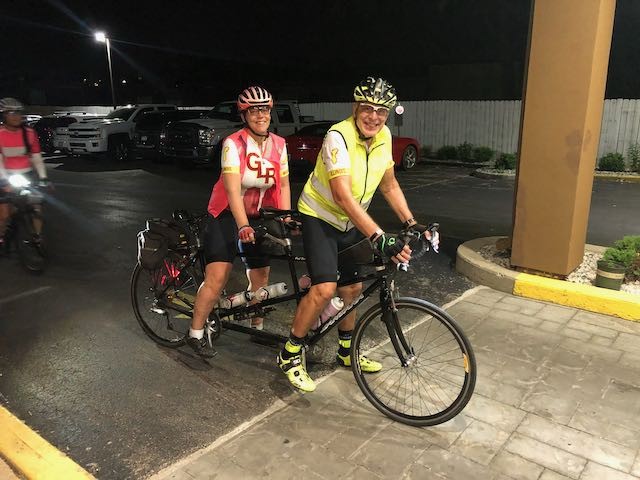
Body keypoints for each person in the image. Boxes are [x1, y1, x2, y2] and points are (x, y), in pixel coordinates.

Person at [277, 77, 440, 392]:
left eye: (381, 111)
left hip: (351, 220)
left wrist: (411, 222)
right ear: (355, 108)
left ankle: (345, 351)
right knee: (325, 289)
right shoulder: (338, 137)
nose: (374, 117)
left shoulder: (384, 136)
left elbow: (389, 184)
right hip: (321, 216)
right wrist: (379, 236)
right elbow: (342, 196)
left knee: (351, 288)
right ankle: (290, 352)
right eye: (367, 108)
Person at [186, 86, 293, 357]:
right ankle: (195, 332)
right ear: (244, 115)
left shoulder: (279, 144)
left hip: (258, 214)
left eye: (264, 109)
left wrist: (285, 216)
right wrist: (243, 225)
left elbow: (282, 184)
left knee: (261, 274)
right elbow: (233, 190)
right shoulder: (233, 143)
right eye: (253, 111)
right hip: (226, 214)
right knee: (217, 277)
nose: (261, 115)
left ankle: (257, 327)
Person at [0, 97, 51, 248]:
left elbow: (36, 157)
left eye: (18, 112)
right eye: (11, 113)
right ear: (3, 115)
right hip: (5, 175)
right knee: (4, 213)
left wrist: (43, 177)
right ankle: (1, 236)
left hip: (27, 174)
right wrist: (4, 181)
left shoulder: (29, 133)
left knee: (36, 205)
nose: (16, 116)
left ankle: (37, 237)